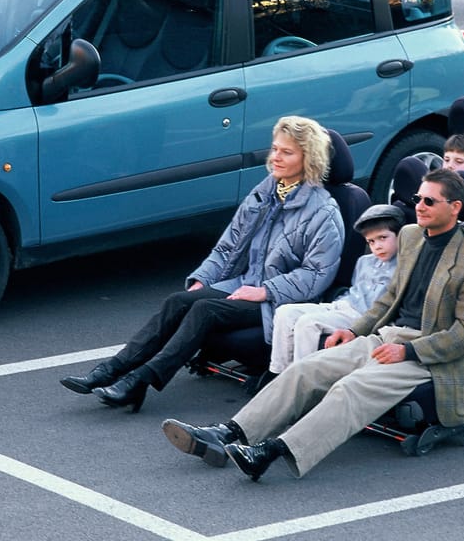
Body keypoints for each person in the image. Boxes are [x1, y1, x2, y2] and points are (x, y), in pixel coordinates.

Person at [162, 168, 464, 479]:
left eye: (428, 201)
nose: (419, 206)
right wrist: (354, 330)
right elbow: (389, 297)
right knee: (305, 370)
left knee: (350, 388)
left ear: (455, 207)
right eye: (417, 199)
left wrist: (408, 351)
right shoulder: (411, 236)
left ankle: (271, 452)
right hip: (385, 337)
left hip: (430, 357)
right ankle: (227, 433)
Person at [60, 116, 344, 413]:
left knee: (205, 310)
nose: (275, 157)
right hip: (243, 284)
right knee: (179, 300)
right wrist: (203, 280)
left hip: (279, 302)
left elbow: (316, 274)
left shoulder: (323, 211)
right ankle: (110, 370)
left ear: (308, 158)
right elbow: (227, 247)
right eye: (274, 149)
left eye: (287, 152)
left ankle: (139, 382)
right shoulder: (263, 193)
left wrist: (265, 291)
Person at [266, 204, 405, 376]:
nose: (377, 246)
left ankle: (305, 379)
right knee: (285, 312)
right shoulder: (364, 261)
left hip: (361, 315)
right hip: (341, 305)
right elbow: (355, 289)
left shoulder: (404, 266)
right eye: (371, 241)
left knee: (308, 323)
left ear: (400, 236)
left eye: (383, 238)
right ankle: (279, 373)